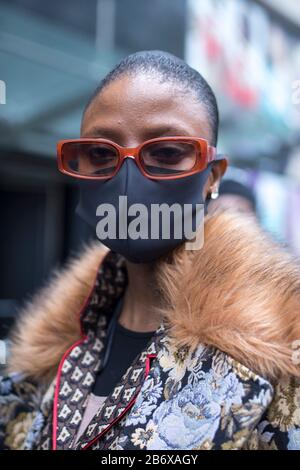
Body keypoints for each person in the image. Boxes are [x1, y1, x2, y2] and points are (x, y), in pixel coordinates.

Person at [1, 50, 300, 451]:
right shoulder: (39, 359)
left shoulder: (279, 355)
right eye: (101, 154)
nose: (128, 181)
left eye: (167, 152)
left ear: (212, 175)